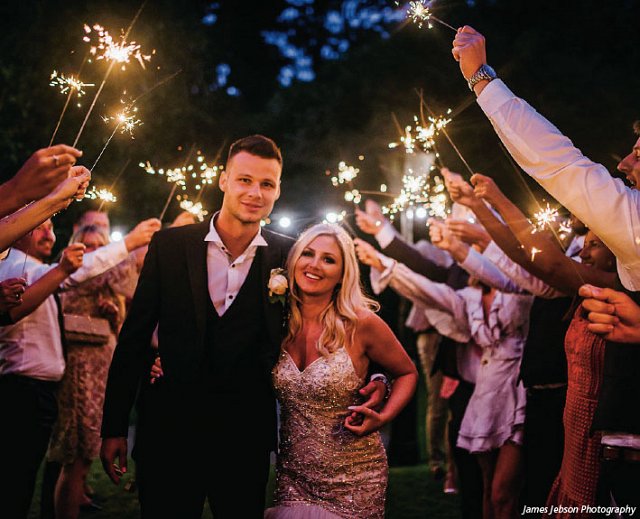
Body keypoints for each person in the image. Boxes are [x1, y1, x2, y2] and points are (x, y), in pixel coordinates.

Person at [100, 135, 387, 518]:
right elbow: (134, 338)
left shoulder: (290, 254)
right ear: (224, 180)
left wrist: (378, 375)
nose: (255, 192)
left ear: (278, 190)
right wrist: (114, 426)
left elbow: (335, 316)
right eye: (245, 180)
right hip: (168, 432)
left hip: (243, 437)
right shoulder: (170, 246)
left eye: (266, 184)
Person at [452, 26, 640, 510]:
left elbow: (563, 173)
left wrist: (481, 78)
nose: (623, 164)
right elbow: (527, 266)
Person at [357, 236, 532, 519]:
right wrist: (383, 263)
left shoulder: (521, 293)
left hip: (517, 392)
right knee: (488, 488)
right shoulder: (469, 298)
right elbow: (427, 291)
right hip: (486, 398)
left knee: (504, 491)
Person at [0, 215, 157, 518]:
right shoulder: (20, 268)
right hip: (26, 386)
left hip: (40, 386)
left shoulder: (36, 269)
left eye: (50, 227)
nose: (48, 233)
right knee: (21, 480)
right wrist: (129, 244)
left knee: (27, 477)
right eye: (40, 226)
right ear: (17, 230)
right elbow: (79, 274)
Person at [46, 223, 150, 519]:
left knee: (86, 456)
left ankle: (76, 502)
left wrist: (113, 314)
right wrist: (132, 246)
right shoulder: (70, 277)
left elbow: (121, 332)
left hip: (102, 373)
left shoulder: (108, 288)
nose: (94, 253)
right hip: (79, 375)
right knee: (75, 460)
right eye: (87, 245)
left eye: (99, 247)